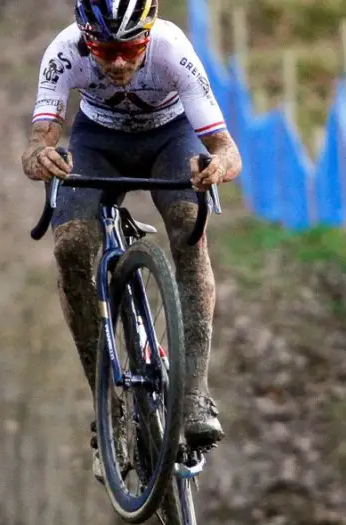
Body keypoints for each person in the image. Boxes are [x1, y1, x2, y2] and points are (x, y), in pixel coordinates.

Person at [20, 0, 243, 484]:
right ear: (85, 38)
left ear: (148, 35)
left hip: (171, 140)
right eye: (104, 49)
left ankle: (195, 394)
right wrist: (39, 156)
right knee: (72, 248)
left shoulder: (172, 48)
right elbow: (41, 138)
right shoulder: (63, 52)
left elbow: (227, 150)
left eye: (130, 48)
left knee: (189, 227)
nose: (118, 63)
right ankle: (108, 411)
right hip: (97, 144)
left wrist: (216, 167)